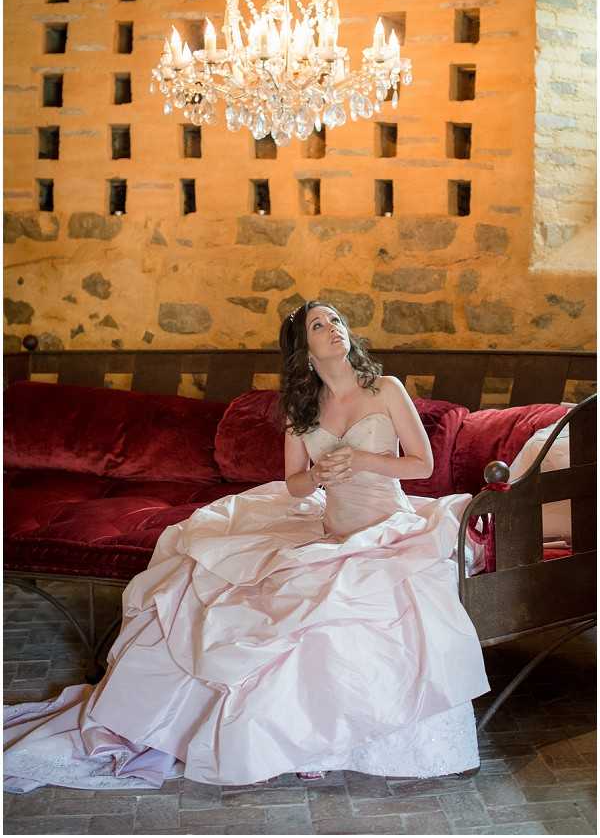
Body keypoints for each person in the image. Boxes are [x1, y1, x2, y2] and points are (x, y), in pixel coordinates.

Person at [4, 301, 489, 793]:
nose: (334, 330)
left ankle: (328, 741)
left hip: (387, 527)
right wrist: (318, 473)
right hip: (328, 530)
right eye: (319, 325)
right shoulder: (303, 411)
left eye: (337, 321)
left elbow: (423, 466)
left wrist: (363, 458)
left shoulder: (385, 390)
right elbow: (295, 485)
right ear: (304, 348)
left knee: (337, 612)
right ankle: (292, 740)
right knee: (222, 589)